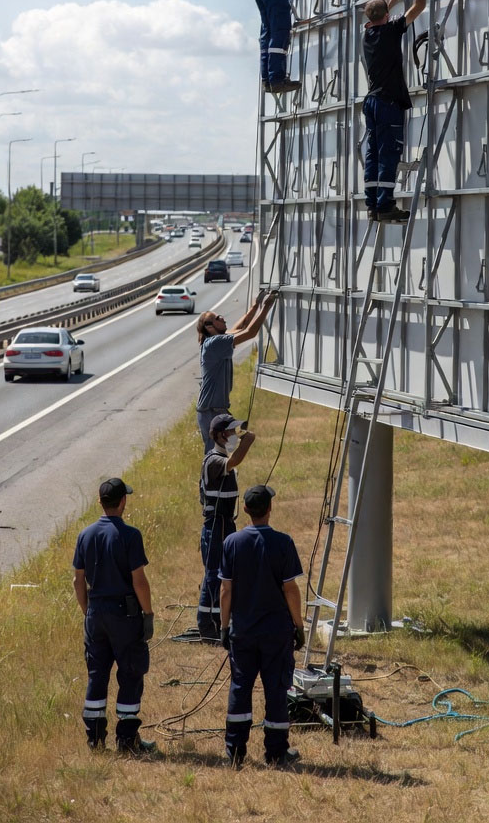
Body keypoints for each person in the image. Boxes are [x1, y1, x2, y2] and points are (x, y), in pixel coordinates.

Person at [219, 484, 305, 768]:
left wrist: (223, 626)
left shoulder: (232, 543)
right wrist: (299, 625)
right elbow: (290, 589)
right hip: (276, 633)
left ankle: (235, 750)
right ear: (270, 509)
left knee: (240, 687)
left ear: (245, 510)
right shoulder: (283, 543)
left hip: (242, 632)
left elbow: (226, 590)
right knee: (276, 690)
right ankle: (276, 752)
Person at [72, 478, 155, 755]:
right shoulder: (130, 535)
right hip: (125, 615)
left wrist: (88, 612)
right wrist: (148, 613)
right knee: (130, 674)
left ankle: (95, 740)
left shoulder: (85, 534)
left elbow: (78, 581)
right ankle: (127, 740)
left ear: (99, 502)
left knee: (97, 675)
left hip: (96, 614)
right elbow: (139, 580)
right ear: (123, 502)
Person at [362, 0, 427, 223]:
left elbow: (379, 13)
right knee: (389, 153)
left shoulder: (367, 34)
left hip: (372, 102)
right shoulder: (390, 31)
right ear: (386, 17)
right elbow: (419, 5)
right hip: (388, 102)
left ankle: (374, 205)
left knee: (374, 154)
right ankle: (386, 205)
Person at [196, 412, 256, 642]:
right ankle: (207, 626)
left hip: (226, 524)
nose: (234, 435)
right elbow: (233, 462)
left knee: (226, 575)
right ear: (220, 435)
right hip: (216, 525)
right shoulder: (213, 460)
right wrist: (247, 443)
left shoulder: (221, 457)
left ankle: (222, 619)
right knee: (214, 574)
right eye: (231, 431)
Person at [196, 290, 277, 453]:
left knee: (226, 451)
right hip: (211, 412)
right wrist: (267, 307)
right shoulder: (214, 343)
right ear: (209, 327)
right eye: (217, 318)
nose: (222, 318)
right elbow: (250, 333)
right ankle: (214, 478)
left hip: (216, 410)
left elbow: (241, 328)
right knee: (217, 455)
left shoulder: (216, 341)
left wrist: (255, 307)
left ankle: (225, 476)